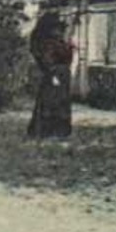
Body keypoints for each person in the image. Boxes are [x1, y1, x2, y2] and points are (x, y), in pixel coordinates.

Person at [26, 10, 74, 139]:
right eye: (58, 29)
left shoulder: (58, 42)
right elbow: (48, 61)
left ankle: (58, 131)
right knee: (52, 103)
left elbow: (68, 59)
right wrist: (53, 76)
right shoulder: (49, 44)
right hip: (55, 75)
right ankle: (49, 131)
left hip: (62, 75)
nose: (60, 31)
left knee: (60, 103)